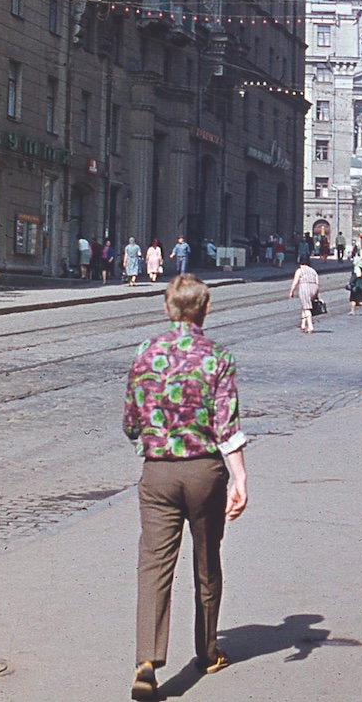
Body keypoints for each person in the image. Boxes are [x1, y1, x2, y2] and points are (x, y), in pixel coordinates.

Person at [123, 274, 248, 698]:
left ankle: (146, 661)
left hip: (157, 472)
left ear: (167, 307)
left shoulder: (145, 352)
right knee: (206, 558)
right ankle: (208, 649)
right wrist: (240, 476)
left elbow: (129, 423)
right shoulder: (218, 357)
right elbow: (226, 425)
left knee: (154, 564)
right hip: (204, 471)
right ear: (205, 309)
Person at [290, 254, 319, 334]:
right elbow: (317, 282)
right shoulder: (313, 270)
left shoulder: (300, 270)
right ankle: (303, 324)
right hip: (314, 288)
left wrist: (292, 291)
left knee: (307, 308)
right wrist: (317, 293)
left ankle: (310, 326)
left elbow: (295, 282)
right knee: (305, 305)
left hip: (305, 287)